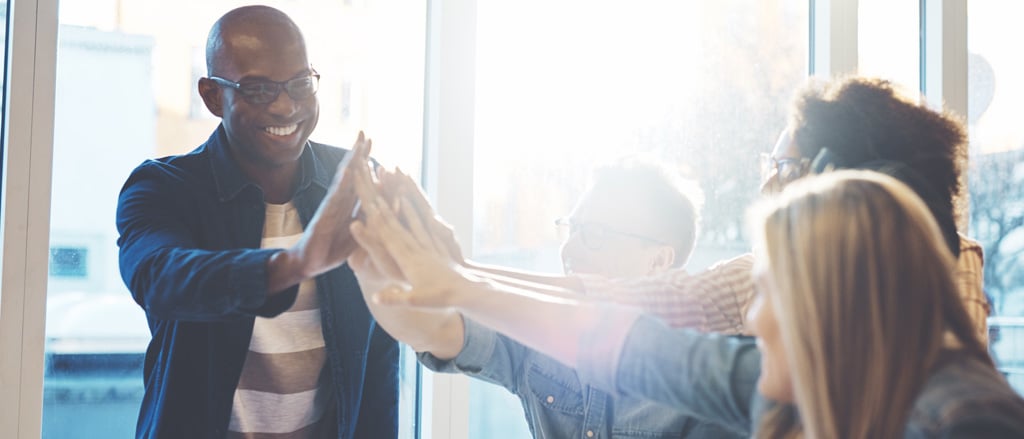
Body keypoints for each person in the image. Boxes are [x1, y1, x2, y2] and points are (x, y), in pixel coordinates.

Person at [353, 169, 1024, 437]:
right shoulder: (777, 390)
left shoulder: (962, 419)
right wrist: (449, 278)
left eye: (775, 291)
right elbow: (628, 347)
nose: (753, 314)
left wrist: (460, 277)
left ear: (840, 308)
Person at [116, 6, 397, 438]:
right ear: (212, 96)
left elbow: (379, 352)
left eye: (301, 84)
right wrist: (296, 263)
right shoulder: (163, 188)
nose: (287, 106)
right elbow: (159, 277)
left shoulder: (351, 184)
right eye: (259, 90)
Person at [349, 160, 747, 438]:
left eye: (595, 234)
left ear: (659, 261)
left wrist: (455, 273)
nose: (569, 249)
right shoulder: (539, 335)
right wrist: (369, 260)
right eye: (571, 229)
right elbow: (435, 328)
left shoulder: (704, 372)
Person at [765, 76, 990, 343]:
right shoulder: (764, 268)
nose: (769, 185)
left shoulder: (955, 260)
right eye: (771, 166)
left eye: (788, 168)